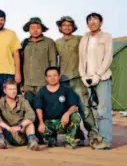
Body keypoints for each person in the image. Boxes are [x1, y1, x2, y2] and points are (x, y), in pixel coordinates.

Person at [55, 16, 101, 146]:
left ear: (73, 27)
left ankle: (93, 134)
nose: (67, 27)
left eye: (69, 25)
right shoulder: (57, 43)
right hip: (63, 80)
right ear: (60, 27)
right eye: (64, 25)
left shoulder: (81, 39)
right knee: (66, 109)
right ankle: (77, 135)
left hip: (78, 78)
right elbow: (55, 62)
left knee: (84, 107)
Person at [78, 12, 113, 150]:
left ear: (101, 22)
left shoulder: (106, 37)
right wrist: (83, 76)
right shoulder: (84, 38)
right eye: (90, 20)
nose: (92, 22)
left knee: (103, 110)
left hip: (102, 78)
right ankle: (96, 138)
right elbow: (81, 59)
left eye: (95, 20)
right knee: (92, 110)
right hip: (87, 79)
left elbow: (108, 57)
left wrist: (98, 74)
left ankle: (106, 140)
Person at [34, 67, 82, 149]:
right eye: (49, 76)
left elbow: (73, 106)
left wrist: (67, 114)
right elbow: (38, 108)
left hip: (63, 122)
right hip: (48, 123)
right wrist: (41, 122)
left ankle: (69, 141)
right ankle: (51, 139)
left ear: (59, 76)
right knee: (41, 128)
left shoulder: (67, 90)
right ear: (46, 78)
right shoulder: (41, 91)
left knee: (76, 116)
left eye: (55, 75)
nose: (52, 78)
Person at [0, 79, 39, 150]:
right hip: (8, 133)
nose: (13, 91)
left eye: (14, 89)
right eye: (10, 89)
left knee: (30, 123)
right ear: (5, 91)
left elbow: (31, 115)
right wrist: (9, 128)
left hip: (21, 131)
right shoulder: (0, 102)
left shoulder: (23, 101)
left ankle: (32, 142)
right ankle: (1, 142)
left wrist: (20, 126)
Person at [20, 17, 57, 106]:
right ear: (29, 29)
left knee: (43, 107)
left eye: (38, 27)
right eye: (32, 28)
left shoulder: (49, 42)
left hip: (43, 82)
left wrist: (52, 81)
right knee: (29, 108)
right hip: (28, 83)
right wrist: (22, 84)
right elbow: (20, 63)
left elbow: (53, 62)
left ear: (42, 29)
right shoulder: (24, 43)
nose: (35, 30)